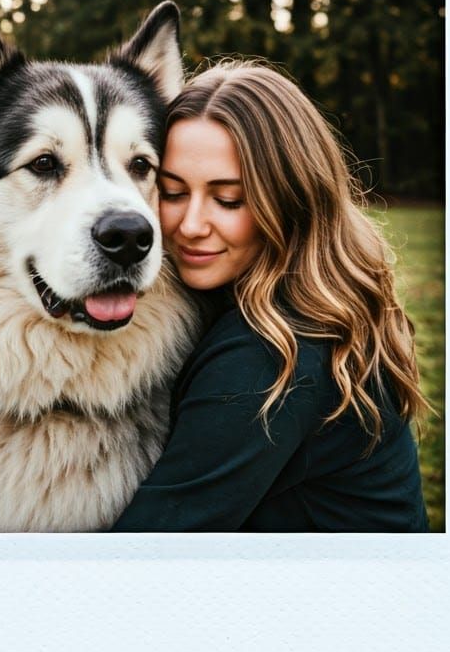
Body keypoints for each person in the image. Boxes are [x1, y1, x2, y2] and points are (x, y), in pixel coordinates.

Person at [110, 60, 432, 532]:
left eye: (229, 200)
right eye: (174, 192)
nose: (191, 226)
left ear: (290, 197)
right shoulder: (302, 298)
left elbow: (145, 555)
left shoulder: (268, 359)